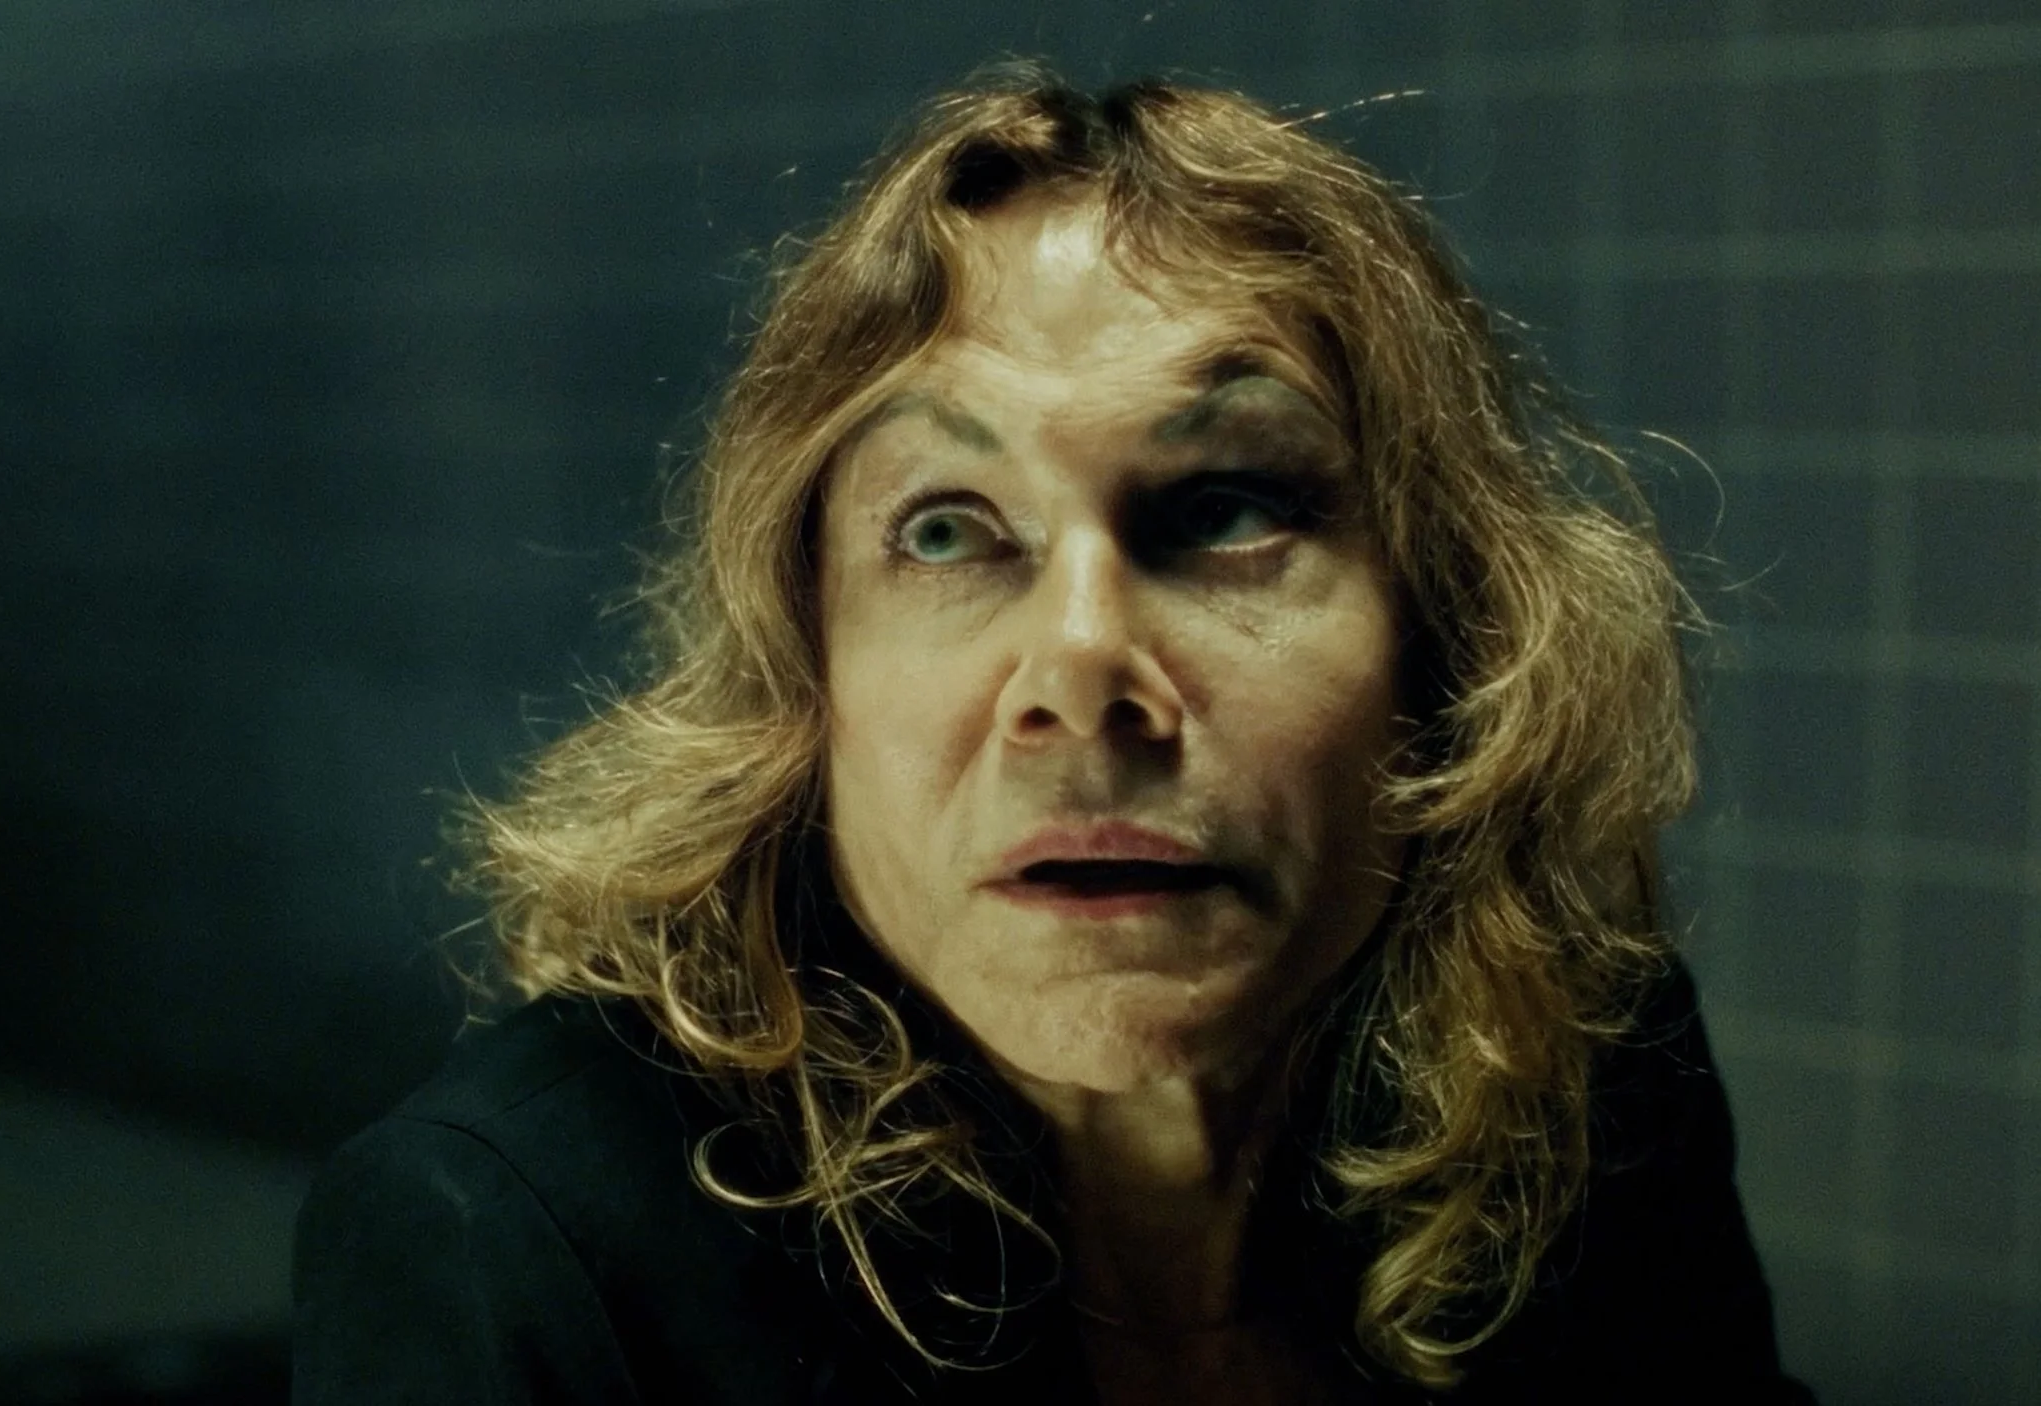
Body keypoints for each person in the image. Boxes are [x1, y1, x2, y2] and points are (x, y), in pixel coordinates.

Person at [293, 67, 1816, 1405]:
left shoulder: (1572, 1083)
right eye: (946, 531)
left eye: (1228, 507)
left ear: (1450, 644)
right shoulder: (520, 1239)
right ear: (807, 680)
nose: (1081, 672)